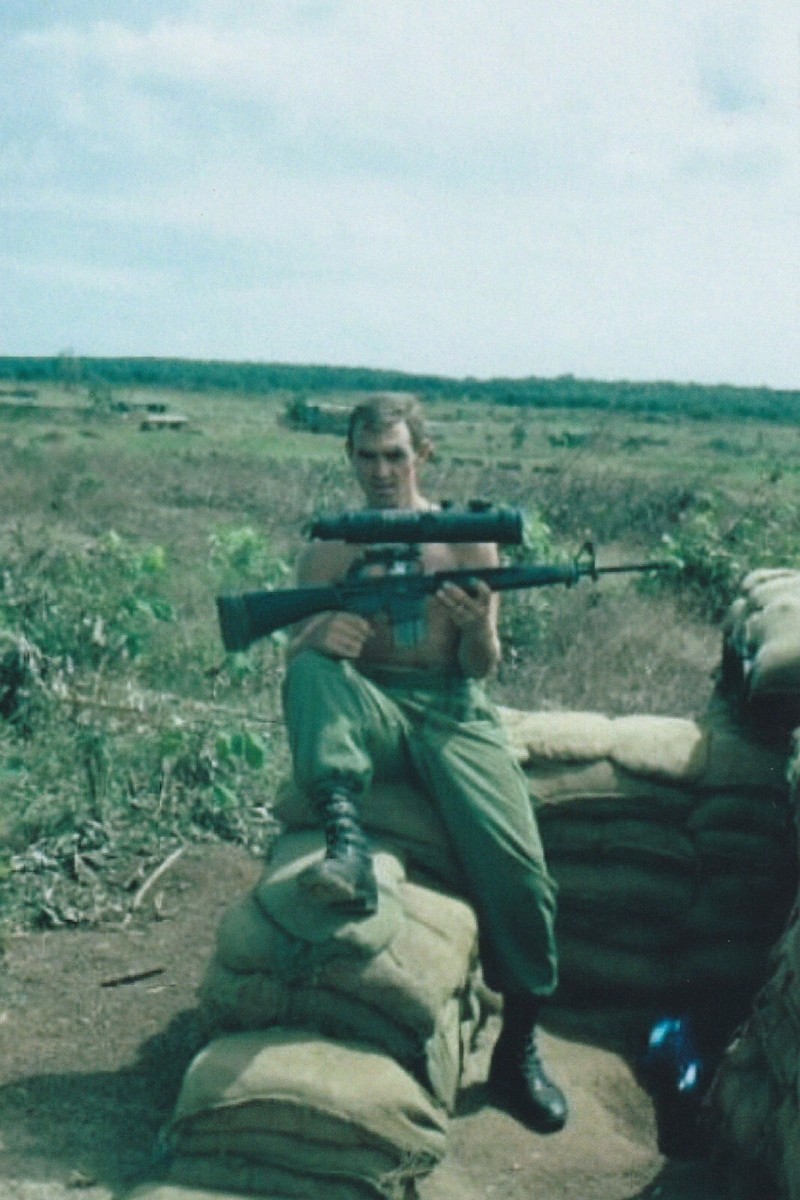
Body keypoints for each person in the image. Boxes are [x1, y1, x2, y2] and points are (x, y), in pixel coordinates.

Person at [281, 392, 568, 1134]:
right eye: (367, 456)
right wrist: (321, 635)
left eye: (396, 456)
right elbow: (293, 644)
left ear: (423, 456)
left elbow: (483, 664)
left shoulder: (468, 542)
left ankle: (518, 1047)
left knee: (523, 874)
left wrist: (474, 629)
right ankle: (346, 845)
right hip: (372, 707)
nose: (381, 471)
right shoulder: (332, 547)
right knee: (310, 674)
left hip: (452, 709)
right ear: (349, 458)